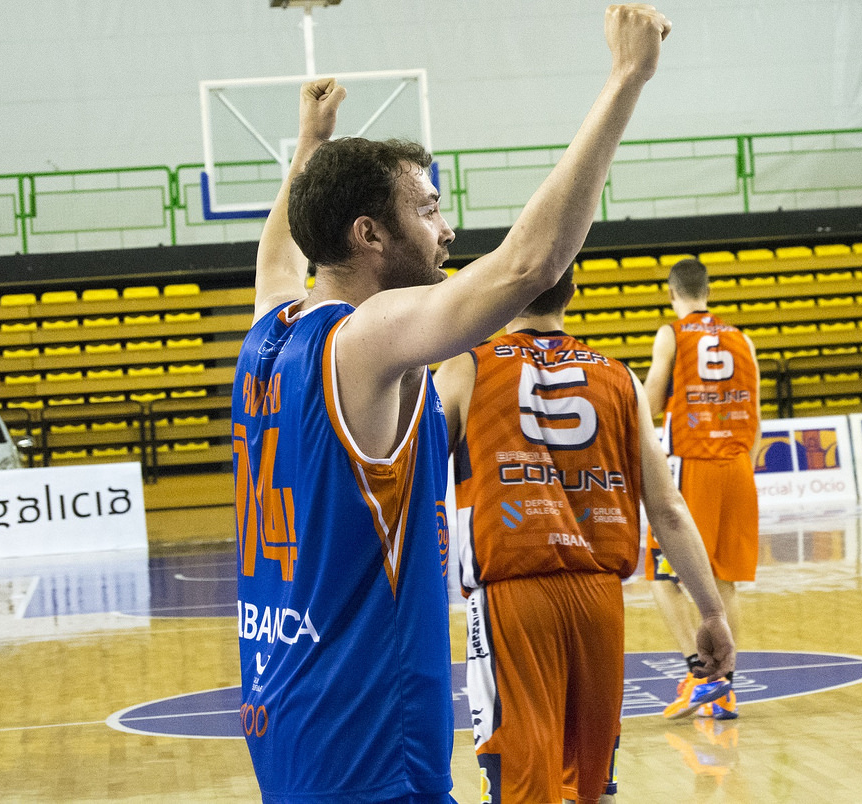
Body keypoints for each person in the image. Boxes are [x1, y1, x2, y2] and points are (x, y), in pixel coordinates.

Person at [231, 6, 673, 801]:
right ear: (369, 234)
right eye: (428, 208)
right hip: (368, 746)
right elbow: (528, 265)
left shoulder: (270, 330)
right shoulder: (364, 341)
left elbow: (277, 252)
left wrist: (312, 146)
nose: (446, 227)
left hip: (286, 722)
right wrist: (625, 79)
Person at [433, 266, 735, 804]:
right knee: (591, 790)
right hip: (599, 600)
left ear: (508, 289)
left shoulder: (465, 368)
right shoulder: (621, 378)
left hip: (513, 597)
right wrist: (710, 613)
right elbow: (667, 507)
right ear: (572, 293)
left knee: (522, 789)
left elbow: (409, 485)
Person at [642, 257, 761, 721]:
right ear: (708, 290)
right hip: (738, 468)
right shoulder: (743, 340)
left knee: (663, 580)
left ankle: (698, 675)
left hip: (695, 463)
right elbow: (756, 420)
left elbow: (650, 402)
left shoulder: (671, 333)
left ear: (672, 292)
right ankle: (725, 688)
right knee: (725, 582)